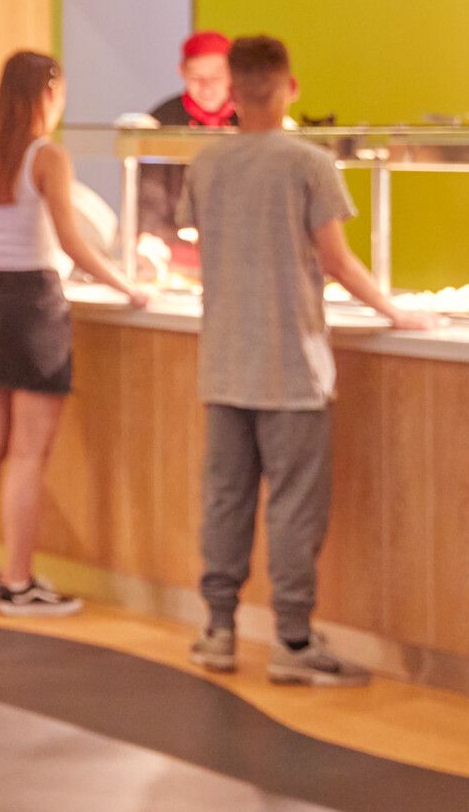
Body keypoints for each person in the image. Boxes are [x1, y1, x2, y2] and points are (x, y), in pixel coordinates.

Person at [181, 35, 432, 686]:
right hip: (292, 367)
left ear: (232, 91)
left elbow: (202, 248)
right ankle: (291, 640)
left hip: (223, 365)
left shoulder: (205, 165)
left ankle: (217, 630)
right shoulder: (307, 162)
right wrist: (395, 313)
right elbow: (337, 261)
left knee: (224, 502)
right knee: (293, 507)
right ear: (289, 86)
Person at [0, 51, 148, 617]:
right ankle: (19, 583)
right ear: (46, 92)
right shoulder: (47, 157)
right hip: (36, 303)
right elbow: (70, 241)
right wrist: (127, 285)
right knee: (27, 455)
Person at [138, 29, 239, 252]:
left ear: (233, 73)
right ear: (181, 71)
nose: (207, 86)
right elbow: (149, 198)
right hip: (176, 244)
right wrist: (148, 238)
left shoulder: (249, 117)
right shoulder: (162, 120)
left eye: (216, 76)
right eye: (196, 77)